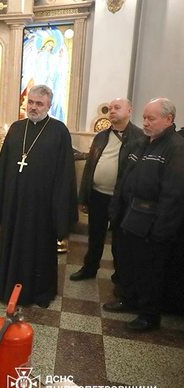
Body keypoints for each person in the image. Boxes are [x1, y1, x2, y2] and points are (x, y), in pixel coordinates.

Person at [0, 84, 77, 307]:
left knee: (38, 248)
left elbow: (65, 174)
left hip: (41, 207)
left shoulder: (59, 131)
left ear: (49, 106)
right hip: (14, 203)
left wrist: (60, 212)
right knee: (11, 244)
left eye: (39, 104)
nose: (34, 107)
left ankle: (39, 292)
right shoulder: (17, 128)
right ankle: (5, 288)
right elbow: (3, 168)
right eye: (31, 102)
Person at [103, 98, 184, 331]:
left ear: (168, 119)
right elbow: (123, 180)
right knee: (129, 263)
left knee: (150, 270)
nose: (145, 122)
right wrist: (116, 210)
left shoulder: (176, 147)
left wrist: (161, 230)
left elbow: (173, 194)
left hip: (153, 222)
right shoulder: (141, 143)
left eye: (151, 118)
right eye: (144, 118)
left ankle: (149, 315)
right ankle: (129, 299)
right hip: (130, 216)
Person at [70, 98, 145, 287]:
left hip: (122, 198)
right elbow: (90, 167)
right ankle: (89, 268)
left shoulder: (140, 137)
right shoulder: (101, 136)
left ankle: (120, 277)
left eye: (117, 108)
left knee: (120, 241)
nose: (112, 111)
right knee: (95, 235)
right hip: (98, 195)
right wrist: (83, 197)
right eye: (110, 108)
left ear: (129, 110)